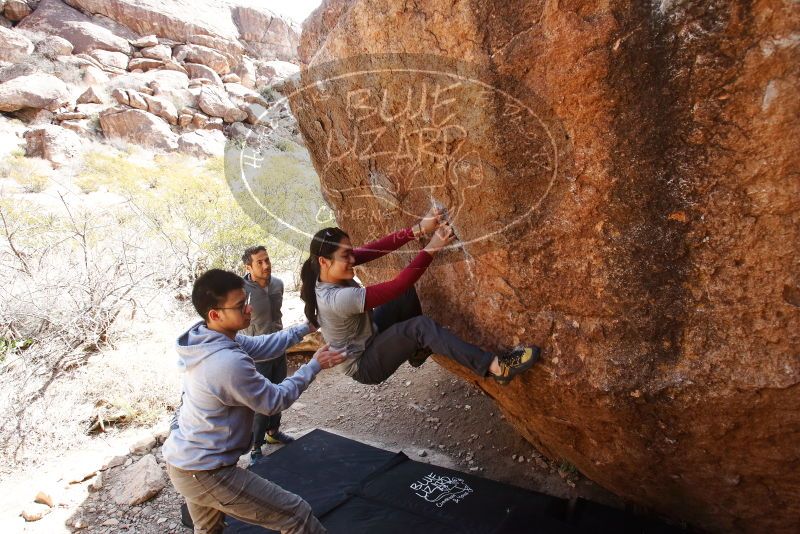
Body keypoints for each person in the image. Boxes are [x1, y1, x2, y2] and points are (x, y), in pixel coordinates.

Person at [163, 269, 346, 534]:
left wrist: (307, 326)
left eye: (246, 301)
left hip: (186, 463)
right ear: (215, 314)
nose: (249, 310)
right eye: (240, 306)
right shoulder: (226, 363)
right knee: (296, 515)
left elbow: (263, 344)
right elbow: (274, 400)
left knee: (207, 529)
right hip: (205, 471)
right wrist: (314, 365)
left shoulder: (208, 337)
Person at [299, 207, 541, 387]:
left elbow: (375, 248)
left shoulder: (326, 269)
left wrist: (419, 229)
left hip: (371, 333)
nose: (353, 259)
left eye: (351, 252)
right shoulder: (337, 299)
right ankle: (496, 367)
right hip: (364, 364)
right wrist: (434, 245)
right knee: (419, 326)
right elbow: (398, 283)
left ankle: (414, 351)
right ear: (324, 261)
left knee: (404, 295)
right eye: (346, 255)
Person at [241, 246, 293, 462]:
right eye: (259, 262)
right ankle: (255, 447)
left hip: (278, 350)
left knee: (279, 393)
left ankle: (273, 433)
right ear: (248, 267)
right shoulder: (241, 291)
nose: (266, 265)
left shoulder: (278, 284)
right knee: (261, 402)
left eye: (267, 260)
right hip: (257, 355)